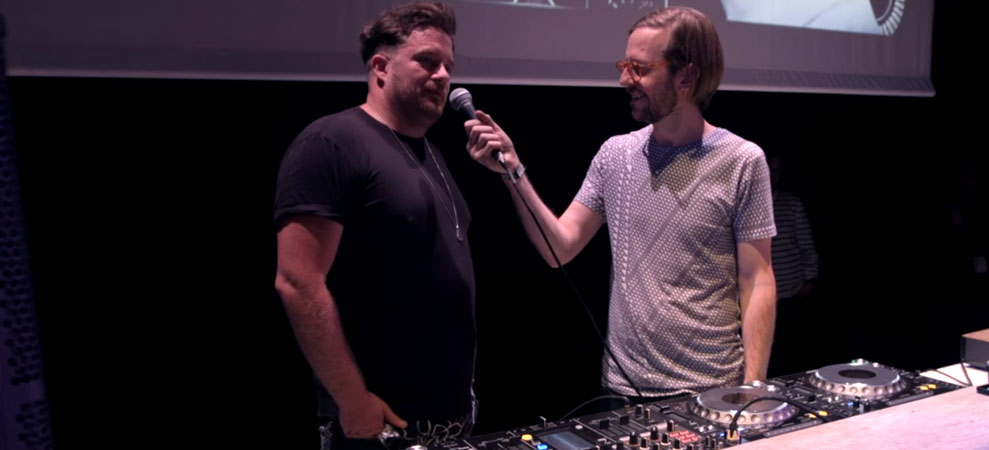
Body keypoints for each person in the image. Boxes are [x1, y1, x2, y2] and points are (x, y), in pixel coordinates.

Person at [464, 7, 777, 401]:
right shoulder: (616, 154)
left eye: (640, 69)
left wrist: (754, 386)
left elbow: (757, 278)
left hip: (712, 390)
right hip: (622, 391)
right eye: (624, 66)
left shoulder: (741, 160)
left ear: (686, 76)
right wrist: (513, 171)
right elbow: (560, 248)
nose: (624, 80)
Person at [273, 3, 476, 448]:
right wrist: (351, 399)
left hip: (449, 419)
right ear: (381, 67)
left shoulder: (432, 155)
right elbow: (298, 281)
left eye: (448, 65)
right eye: (427, 61)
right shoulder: (332, 142)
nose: (443, 75)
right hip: (379, 422)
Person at [768, 155, 818, 301]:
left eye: (776, 170)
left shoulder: (792, 203)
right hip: (757, 296)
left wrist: (811, 279)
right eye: (767, 168)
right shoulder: (743, 206)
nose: (771, 174)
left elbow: (807, 246)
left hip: (793, 292)